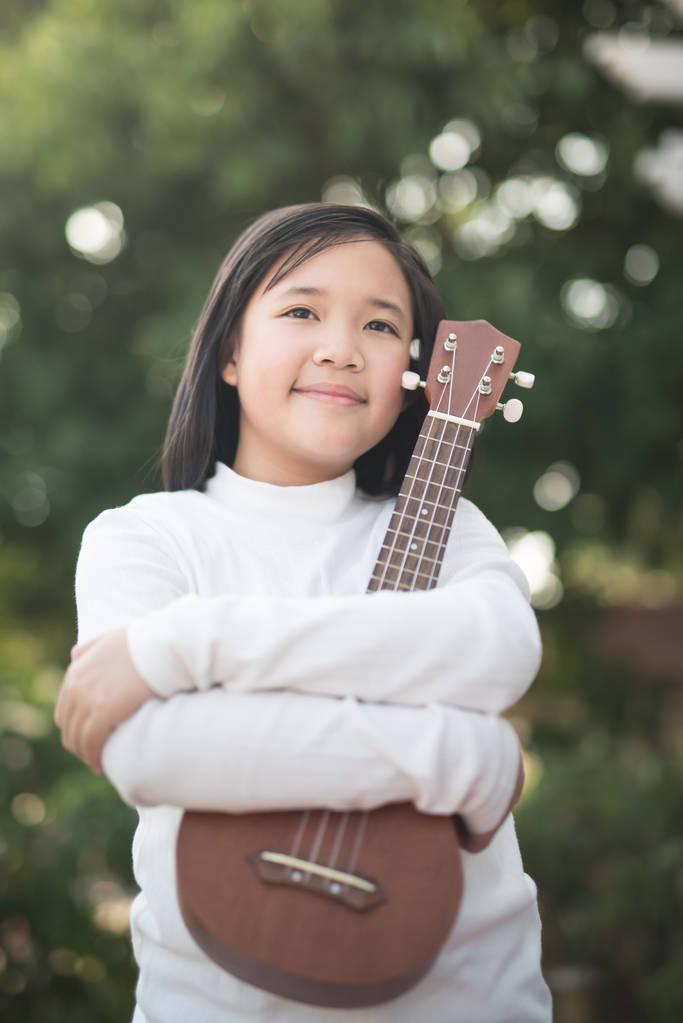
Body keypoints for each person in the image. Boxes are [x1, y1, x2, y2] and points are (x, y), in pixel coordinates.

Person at [55, 203, 552, 1022]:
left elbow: (496, 649)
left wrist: (180, 647)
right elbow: (151, 750)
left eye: (381, 326)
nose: (339, 347)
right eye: (300, 310)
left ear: (417, 377)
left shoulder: (451, 525)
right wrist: (467, 754)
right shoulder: (145, 538)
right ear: (228, 351)